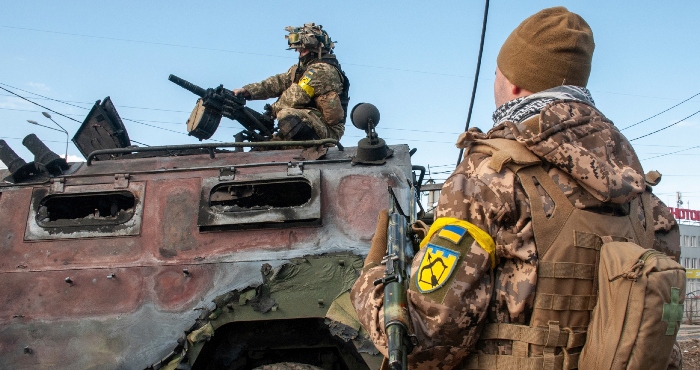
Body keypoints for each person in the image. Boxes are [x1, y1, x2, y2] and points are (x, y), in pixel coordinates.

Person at [350, 7, 682, 369]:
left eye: (496, 72)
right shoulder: (643, 197)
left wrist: (372, 280)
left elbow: (425, 341)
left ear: (516, 83)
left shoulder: (487, 177)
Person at [232, 23, 349, 142]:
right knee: (265, 146)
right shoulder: (301, 69)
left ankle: (311, 148)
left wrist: (270, 113)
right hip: (307, 120)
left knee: (285, 114)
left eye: (303, 50)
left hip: (327, 130)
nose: (299, 55)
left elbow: (296, 95)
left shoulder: (323, 70)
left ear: (315, 49)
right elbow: (277, 83)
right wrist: (247, 91)